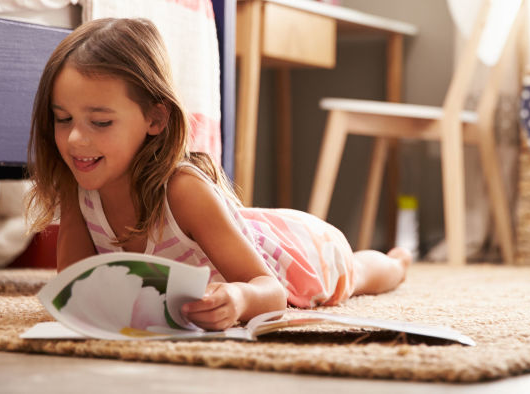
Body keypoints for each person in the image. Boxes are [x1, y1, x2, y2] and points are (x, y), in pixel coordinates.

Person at [27, 18, 410, 331]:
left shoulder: (183, 190)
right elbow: (77, 289)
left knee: (354, 274)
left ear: (156, 119)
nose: (76, 138)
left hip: (294, 254)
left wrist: (240, 299)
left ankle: (397, 262)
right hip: (240, 230)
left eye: (100, 121)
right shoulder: (78, 189)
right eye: (63, 119)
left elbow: (271, 291)